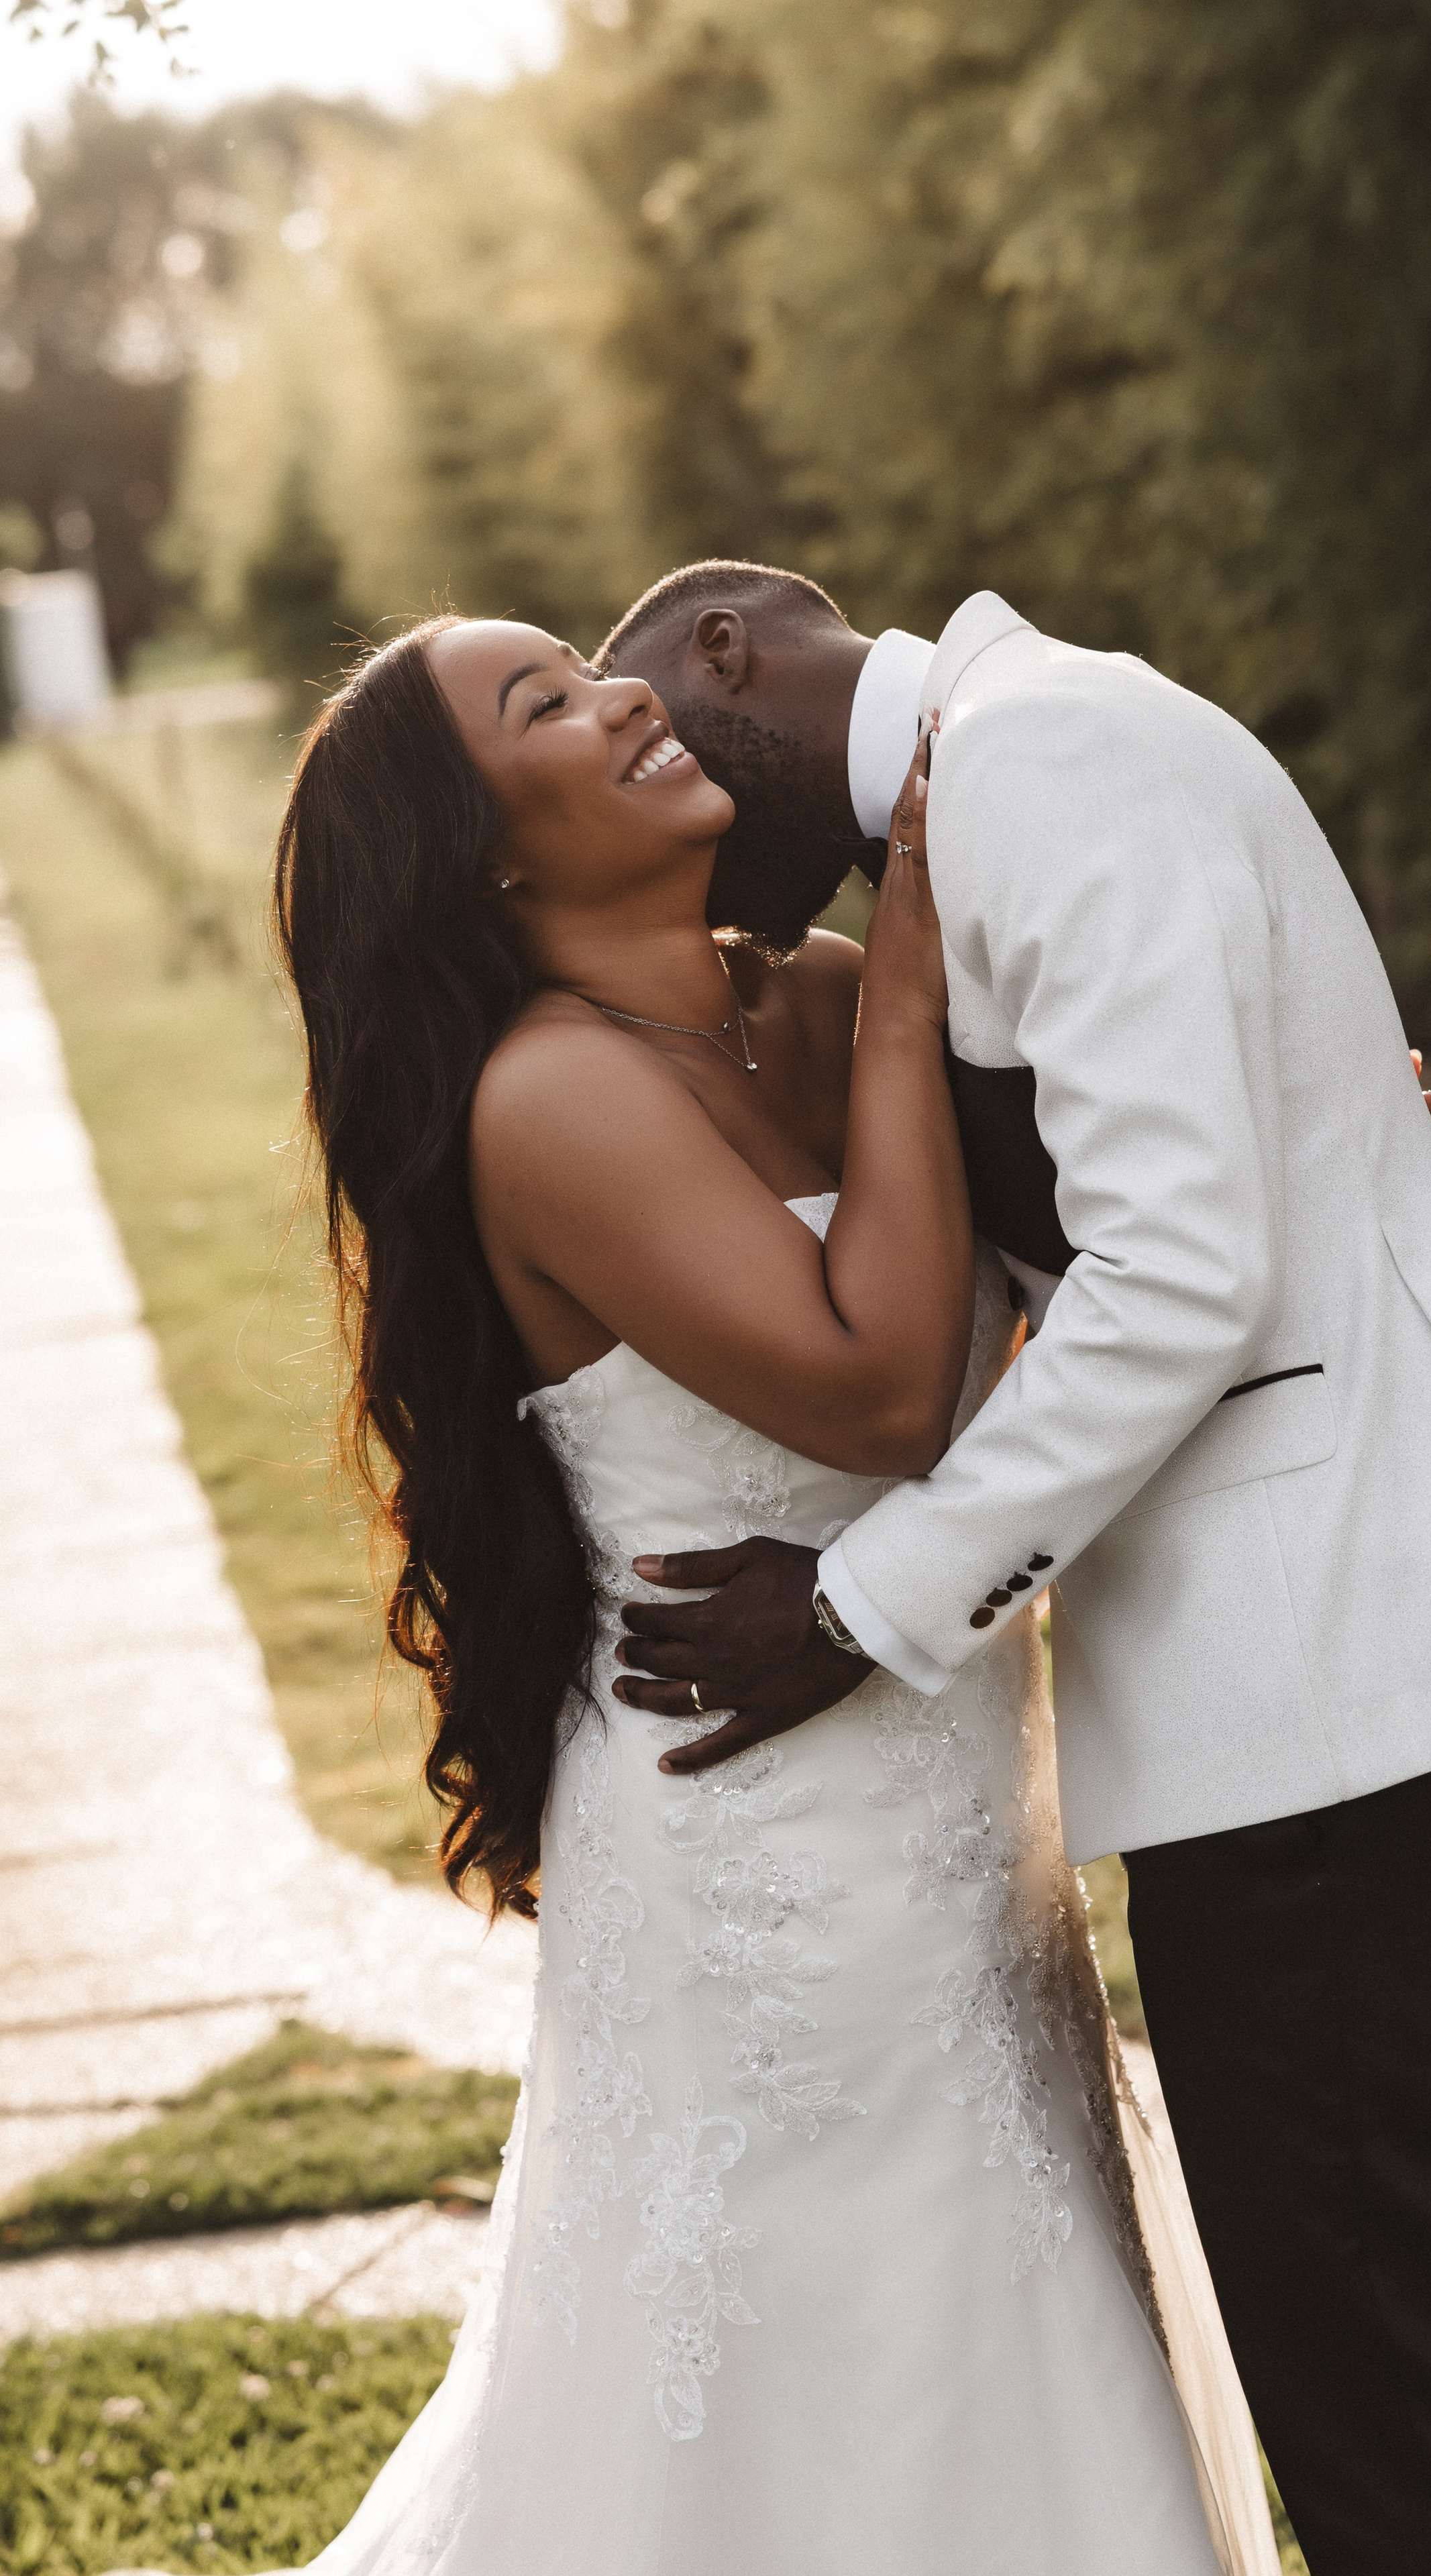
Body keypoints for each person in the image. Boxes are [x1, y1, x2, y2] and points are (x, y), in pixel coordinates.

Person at [602, 561, 1431, 2576]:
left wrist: (863, 1605)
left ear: (734, 650)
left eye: (655, 726)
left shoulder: (1044, 764)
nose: (663, 798)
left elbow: (1184, 1272)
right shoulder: (988, 797)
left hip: (1341, 1665)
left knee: (1370, 2353)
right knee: (1362, 2337)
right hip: (1308, 1676)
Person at [270, 612, 1273, 2575]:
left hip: (965, 1826)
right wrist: (903, 1010)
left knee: (1001, 2315)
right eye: (543, 705)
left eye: (592, 664)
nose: (625, 690)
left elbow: (1128, 1217)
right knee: (790, 2376)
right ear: (483, 853)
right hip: (753, 1850)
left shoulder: (796, 994)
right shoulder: (550, 1101)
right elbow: (890, 1391)